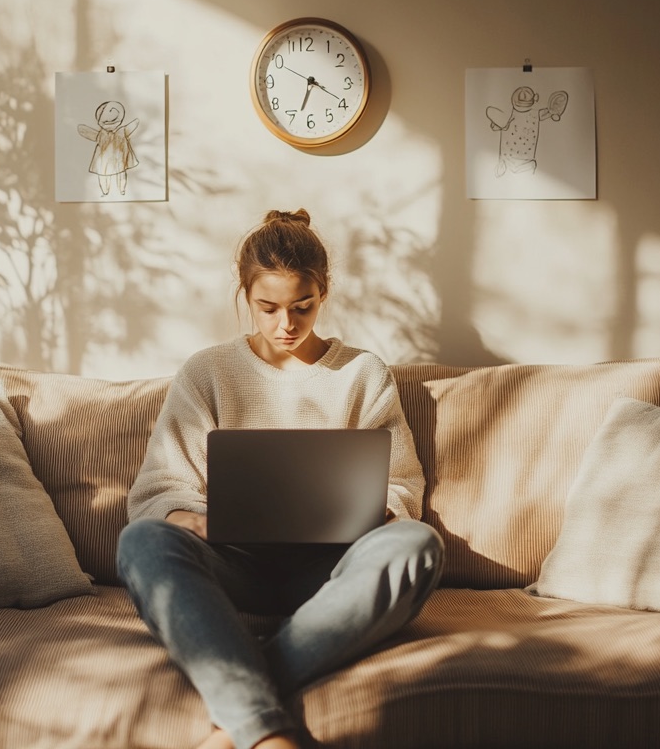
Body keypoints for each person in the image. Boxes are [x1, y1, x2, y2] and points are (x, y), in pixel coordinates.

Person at [116, 209, 444, 749]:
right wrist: (186, 518)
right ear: (245, 295)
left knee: (418, 546)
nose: (285, 325)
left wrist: (381, 511)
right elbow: (158, 487)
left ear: (324, 292)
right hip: (234, 564)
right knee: (142, 541)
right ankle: (265, 729)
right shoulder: (208, 372)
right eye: (267, 308)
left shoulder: (361, 373)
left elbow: (402, 483)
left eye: (302, 307)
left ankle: (240, 719)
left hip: (332, 566)